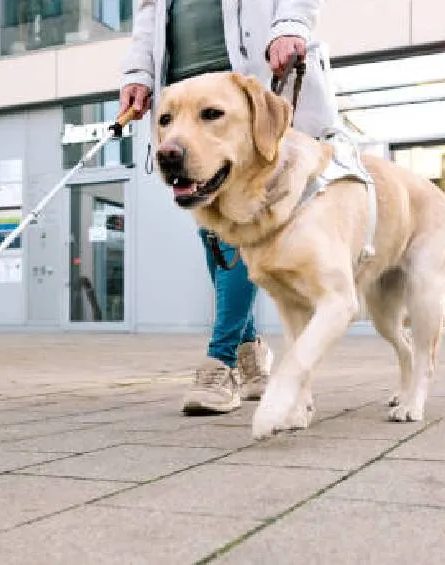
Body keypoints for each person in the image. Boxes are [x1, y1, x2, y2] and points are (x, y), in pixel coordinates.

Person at [119, 0, 350, 415]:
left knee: (245, 223)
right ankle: (251, 357)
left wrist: (291, 24)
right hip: (180, 86)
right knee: (215, 232)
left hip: (247, 82)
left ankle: (221, 361)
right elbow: (148, 14)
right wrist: (138, 74)